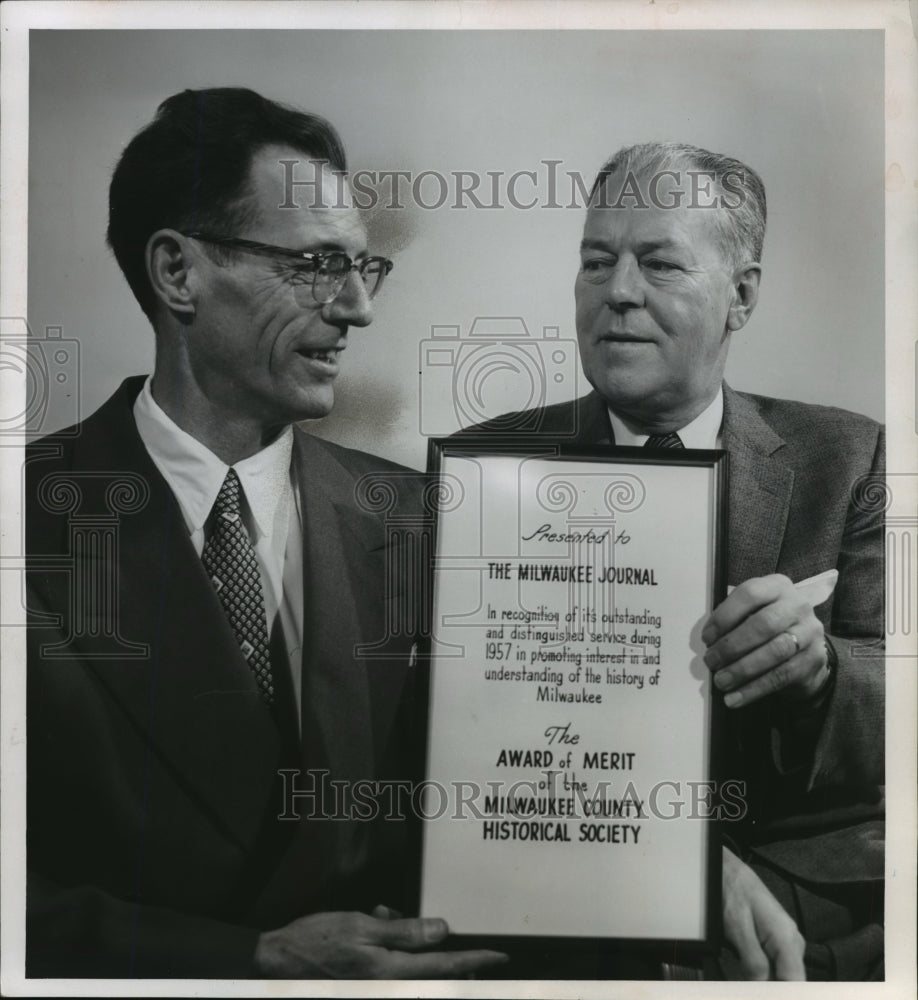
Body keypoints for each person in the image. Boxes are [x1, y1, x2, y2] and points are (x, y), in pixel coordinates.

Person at [25, 87, 506, 980]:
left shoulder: (426, 521)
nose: (357, 308)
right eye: (317, 265)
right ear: (178, 273)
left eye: (365, 269)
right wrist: (247, 959)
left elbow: (505, 794)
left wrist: (691, 871)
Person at [459, 142, 884, 980]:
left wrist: (819, 672)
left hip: (814, 901)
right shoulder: (488, 468)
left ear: (742, 296)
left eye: (658, 262)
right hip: (566, 895)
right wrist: (672, 868)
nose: (617, 292)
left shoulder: (850, 459)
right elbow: (458, 742)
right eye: (595, 261)